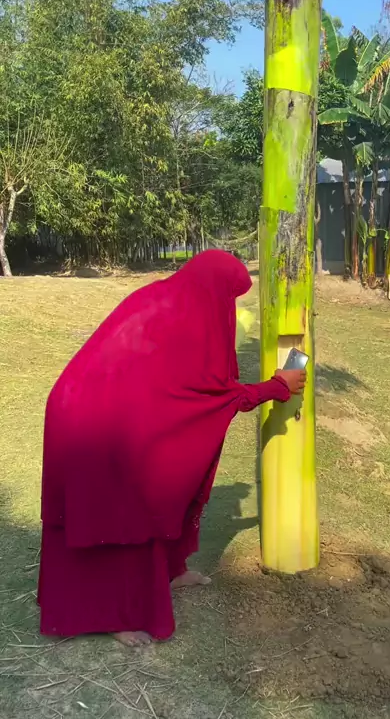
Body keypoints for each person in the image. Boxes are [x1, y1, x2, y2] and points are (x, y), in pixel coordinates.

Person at [38, 250, 306, 647]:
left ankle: (170, 571)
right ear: (215, 290)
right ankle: (112, 614)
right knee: (119, 515)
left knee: (164, 489)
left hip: (97, 405)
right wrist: (277, 386)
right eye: (230, 297)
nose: (230, 308)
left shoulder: (162, 298)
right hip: (92, 417)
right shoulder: (186, 317)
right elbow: (211, 394)